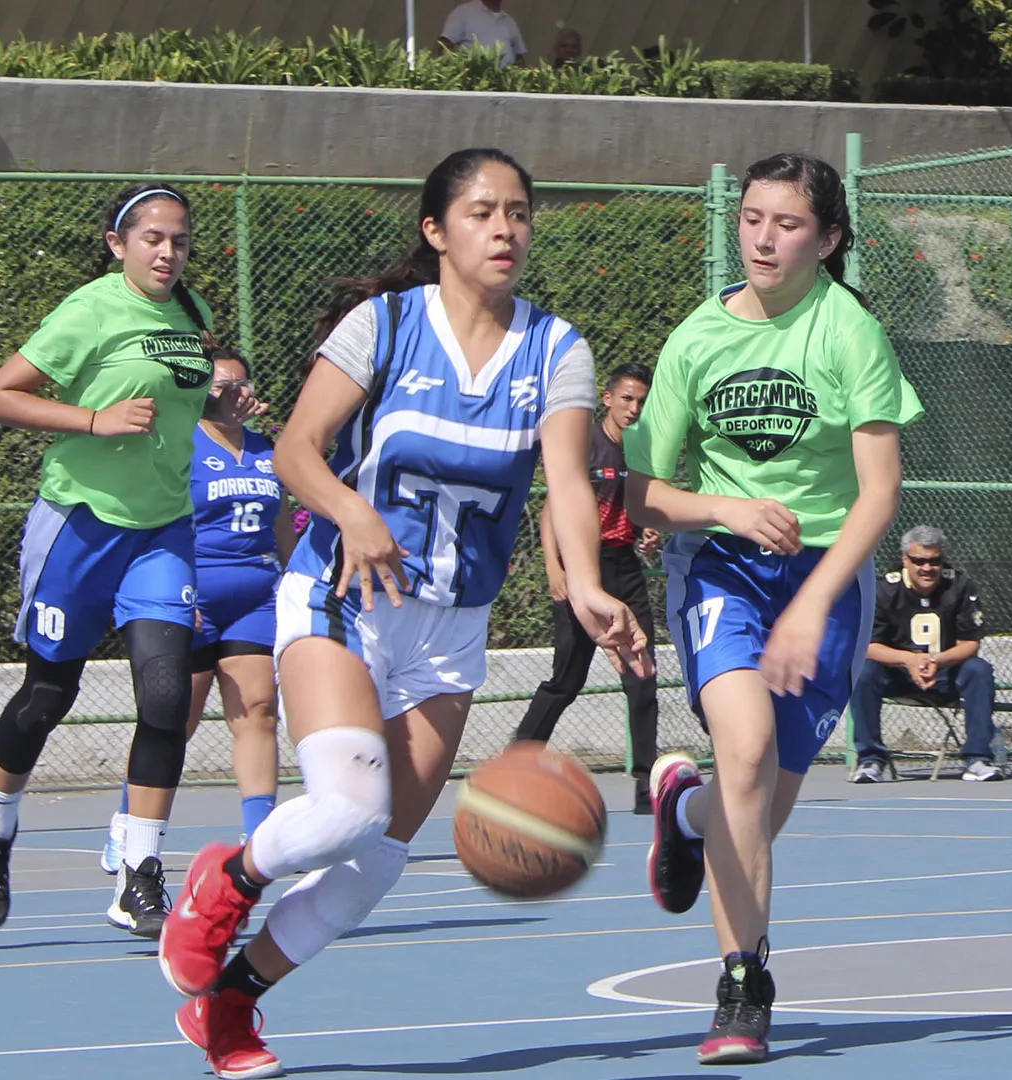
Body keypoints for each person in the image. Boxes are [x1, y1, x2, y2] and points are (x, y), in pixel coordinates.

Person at [156, 148, 650, 1080]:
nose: (504, 228)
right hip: (344, 596)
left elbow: (569, 484)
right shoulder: (381, 325)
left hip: (451, 626)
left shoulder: (557, 349)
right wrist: (351, 512)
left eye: (518, 213)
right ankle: (225, 879)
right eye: (481, 212)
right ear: (437, 231)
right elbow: (297, 450)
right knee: (346, 809)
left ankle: (231, 1002)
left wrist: (586, 584)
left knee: (378, 858)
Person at [626, 151, 923, 1065]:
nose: (762, 237)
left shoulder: (848, 331)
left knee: (760, 802)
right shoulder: (695, 340)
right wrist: (725, 509)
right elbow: (642, 493)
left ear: (828, 239)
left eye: (787, 223)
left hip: (826, 578)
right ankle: (744, 982)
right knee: (744, 756)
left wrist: (815, 602)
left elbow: (879, 495)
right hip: (721, 566)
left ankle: (687, 816)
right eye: (752, 218)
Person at [0, 183, 260, 939]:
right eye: (153, 238)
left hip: (162, 532)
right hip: (83, 527)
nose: (168, 252)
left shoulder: (192, 316)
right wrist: (93, 419)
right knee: (47, 696)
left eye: (180, 240)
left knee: (164, 700)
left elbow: (183, 409)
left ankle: (138, 873)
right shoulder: (88, 310)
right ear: (117, 243)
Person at [101, 350, 295, 873]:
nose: (234, 392)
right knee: (173, 719)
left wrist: (293, 581)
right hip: (191, 593)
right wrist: (170, 596)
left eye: (241, 383)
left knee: (258, 709)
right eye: (220, 385)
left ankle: (259, 836)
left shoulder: (266, 450)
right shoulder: (179, 445)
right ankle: (128, 825)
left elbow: (282, 526)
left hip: (255, 595)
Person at [512, 362, 663, 814]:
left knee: (642, 674)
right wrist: (556, 570)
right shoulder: (584, 446)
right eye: (627, 399)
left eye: (641, 400)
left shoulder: (642, 452)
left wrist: (647, 534)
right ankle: (517, 762)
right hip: (582, 571)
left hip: (624, 568)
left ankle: (645, 782)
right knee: (567, 679)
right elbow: (553, 509)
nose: (634, 408)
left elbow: (639, 510)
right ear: (608, 398)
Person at [847, 525, 1000, 782]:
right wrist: (908, 660)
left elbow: (970, 643)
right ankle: (870, 759)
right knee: (861, 673)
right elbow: (867, 646)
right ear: (905, 559)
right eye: (919, 561)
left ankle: (977, 758)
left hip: (944, 672)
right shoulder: (884, 590)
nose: (926, 568)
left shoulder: (960, 585)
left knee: (979, 670)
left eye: (934, 561)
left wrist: (935, 661)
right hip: (897, 674)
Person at [437, 0, 526, 66]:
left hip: (504, 86)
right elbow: (444, 45)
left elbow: (519, 57)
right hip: (474, 85)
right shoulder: (463, 12)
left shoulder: (509, 21)